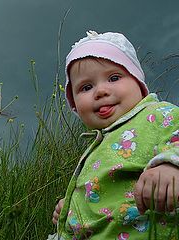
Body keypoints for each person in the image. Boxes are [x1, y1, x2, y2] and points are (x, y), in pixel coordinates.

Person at [51, 31, 179, 239]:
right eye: (86, 87)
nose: (100, 91)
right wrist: (72, 207)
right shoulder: (99, 144)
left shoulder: (157, 114)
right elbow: (102, 191)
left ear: (138, 82)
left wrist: (171, 165)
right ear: (74, 104)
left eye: (114, 78)